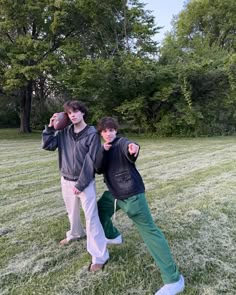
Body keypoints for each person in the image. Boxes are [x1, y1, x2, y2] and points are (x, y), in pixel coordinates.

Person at [95, 117, 185, 294]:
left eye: (111, 130)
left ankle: (173, 279)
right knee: (99, 210)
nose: (108, 134)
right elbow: (98, 169)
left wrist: (133, 148)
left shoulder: (121, 143)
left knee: (151, 233)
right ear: (101, 133)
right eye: (104, 131)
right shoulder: (105, 147)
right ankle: (113, 236)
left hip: (131, 195)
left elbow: (129, 148)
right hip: (115, 194)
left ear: (116, 131)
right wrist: (103, 152)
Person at [42, 101, 109, 271]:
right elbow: (48, 146)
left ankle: (99, 256)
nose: (72, 115)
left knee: (91, 218)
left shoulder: (92, 133)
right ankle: (75, 234)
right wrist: (50, 129)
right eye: (69, 112)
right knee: (72, 212)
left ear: (83, 113)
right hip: (66, 179)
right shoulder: (64, 131)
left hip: (84, 182)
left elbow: (90, 161)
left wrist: (80, 184)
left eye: (76, 112)